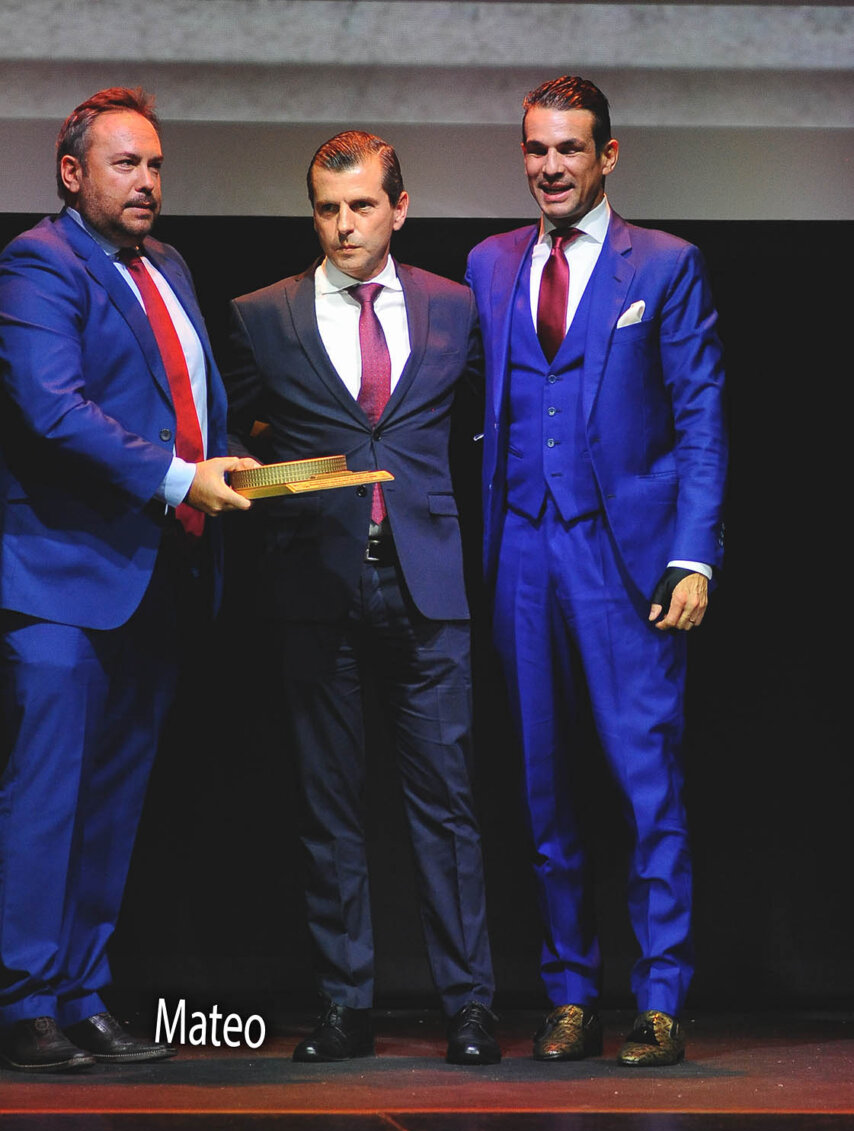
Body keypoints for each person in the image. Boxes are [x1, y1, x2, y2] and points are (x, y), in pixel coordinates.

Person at [465, 76, 727, 1066]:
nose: (550, 166)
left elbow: (700, 417)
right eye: (536, 148)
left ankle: (658, 997)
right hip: (521, 554)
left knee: (644, 782)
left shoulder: (662, 264)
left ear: (605, 155)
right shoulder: (490, 263)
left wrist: (692, 556)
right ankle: (569, 992)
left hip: (625, 562)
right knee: (543, 788)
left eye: (569, 148)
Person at [225, 130, 499, 1066]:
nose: (344, 225)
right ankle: (346, 1006)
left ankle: (469, 1007)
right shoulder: (263, 315)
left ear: (399, 208)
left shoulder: (453, 306)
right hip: (316, 585)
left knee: (449, 806)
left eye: (362, 206)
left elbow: (481, 423)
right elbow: (232, 434)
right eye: (328, 209)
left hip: (428, 584)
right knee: (328, 805)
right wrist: (262, 477)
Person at [0, 88, 253, 1072]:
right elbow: (52, 408)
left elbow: (186, 401)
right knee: (47, 800)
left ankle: (80, 992)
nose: (146, 182)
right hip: (62, 582)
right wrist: (182, 477)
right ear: (73, 174)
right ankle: (22, 1004)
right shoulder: (38, 263)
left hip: (157, 574)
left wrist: (229, 460)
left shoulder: (168, 265)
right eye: (125, 165)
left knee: (112, 800)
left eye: (154, 165)